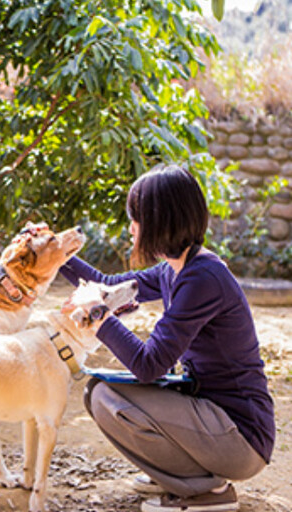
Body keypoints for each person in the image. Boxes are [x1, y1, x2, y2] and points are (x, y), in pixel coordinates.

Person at [59, 164, 275, 512]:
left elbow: (149, 364)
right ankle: (187, 475)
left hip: (242, 438)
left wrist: (98, 316)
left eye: (136, 218)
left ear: (160, 220)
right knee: (99, 393)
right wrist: (54, 252)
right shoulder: (174, 270)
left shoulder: (203, 278)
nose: (131, 227)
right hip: (213, 419)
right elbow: (104, 283)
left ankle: (206, 491)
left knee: (108, 399)